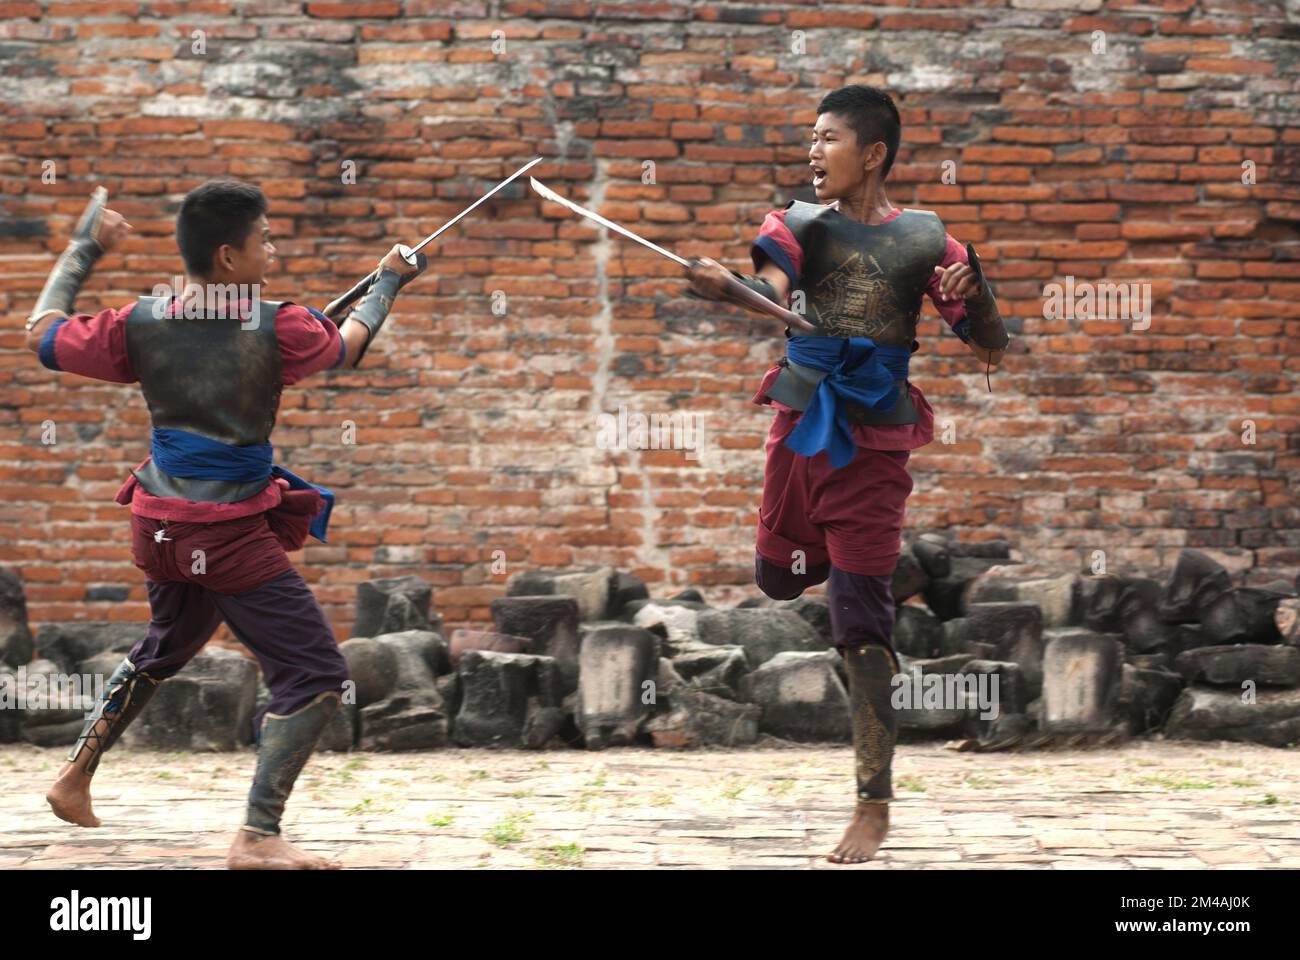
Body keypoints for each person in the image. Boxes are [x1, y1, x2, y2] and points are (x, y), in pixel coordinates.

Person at [26, 179, 423, 869]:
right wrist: (388, 282)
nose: (273, 245)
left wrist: (85, 248)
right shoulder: (282, 324)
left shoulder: (138, 321)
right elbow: (349, 344)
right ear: (229, 257)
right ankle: (259, 837)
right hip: (224, 534)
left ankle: (73, 777)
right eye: (263, 238)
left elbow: (43, 337)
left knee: (168, 643)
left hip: (155, 527)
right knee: (316, 673)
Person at [688, 85, 1010, 864]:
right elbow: (770, 292)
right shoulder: (796, 224)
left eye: (827, 137)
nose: (812, 151)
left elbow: (991, 345)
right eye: (810, 137)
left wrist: (981, 296)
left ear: (872, 154)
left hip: (875, 444)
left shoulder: (930, 240)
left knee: (860, 627)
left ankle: (874, 803)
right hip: (801, 430)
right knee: (775, 580)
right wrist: (727, 290)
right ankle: (855, 562)